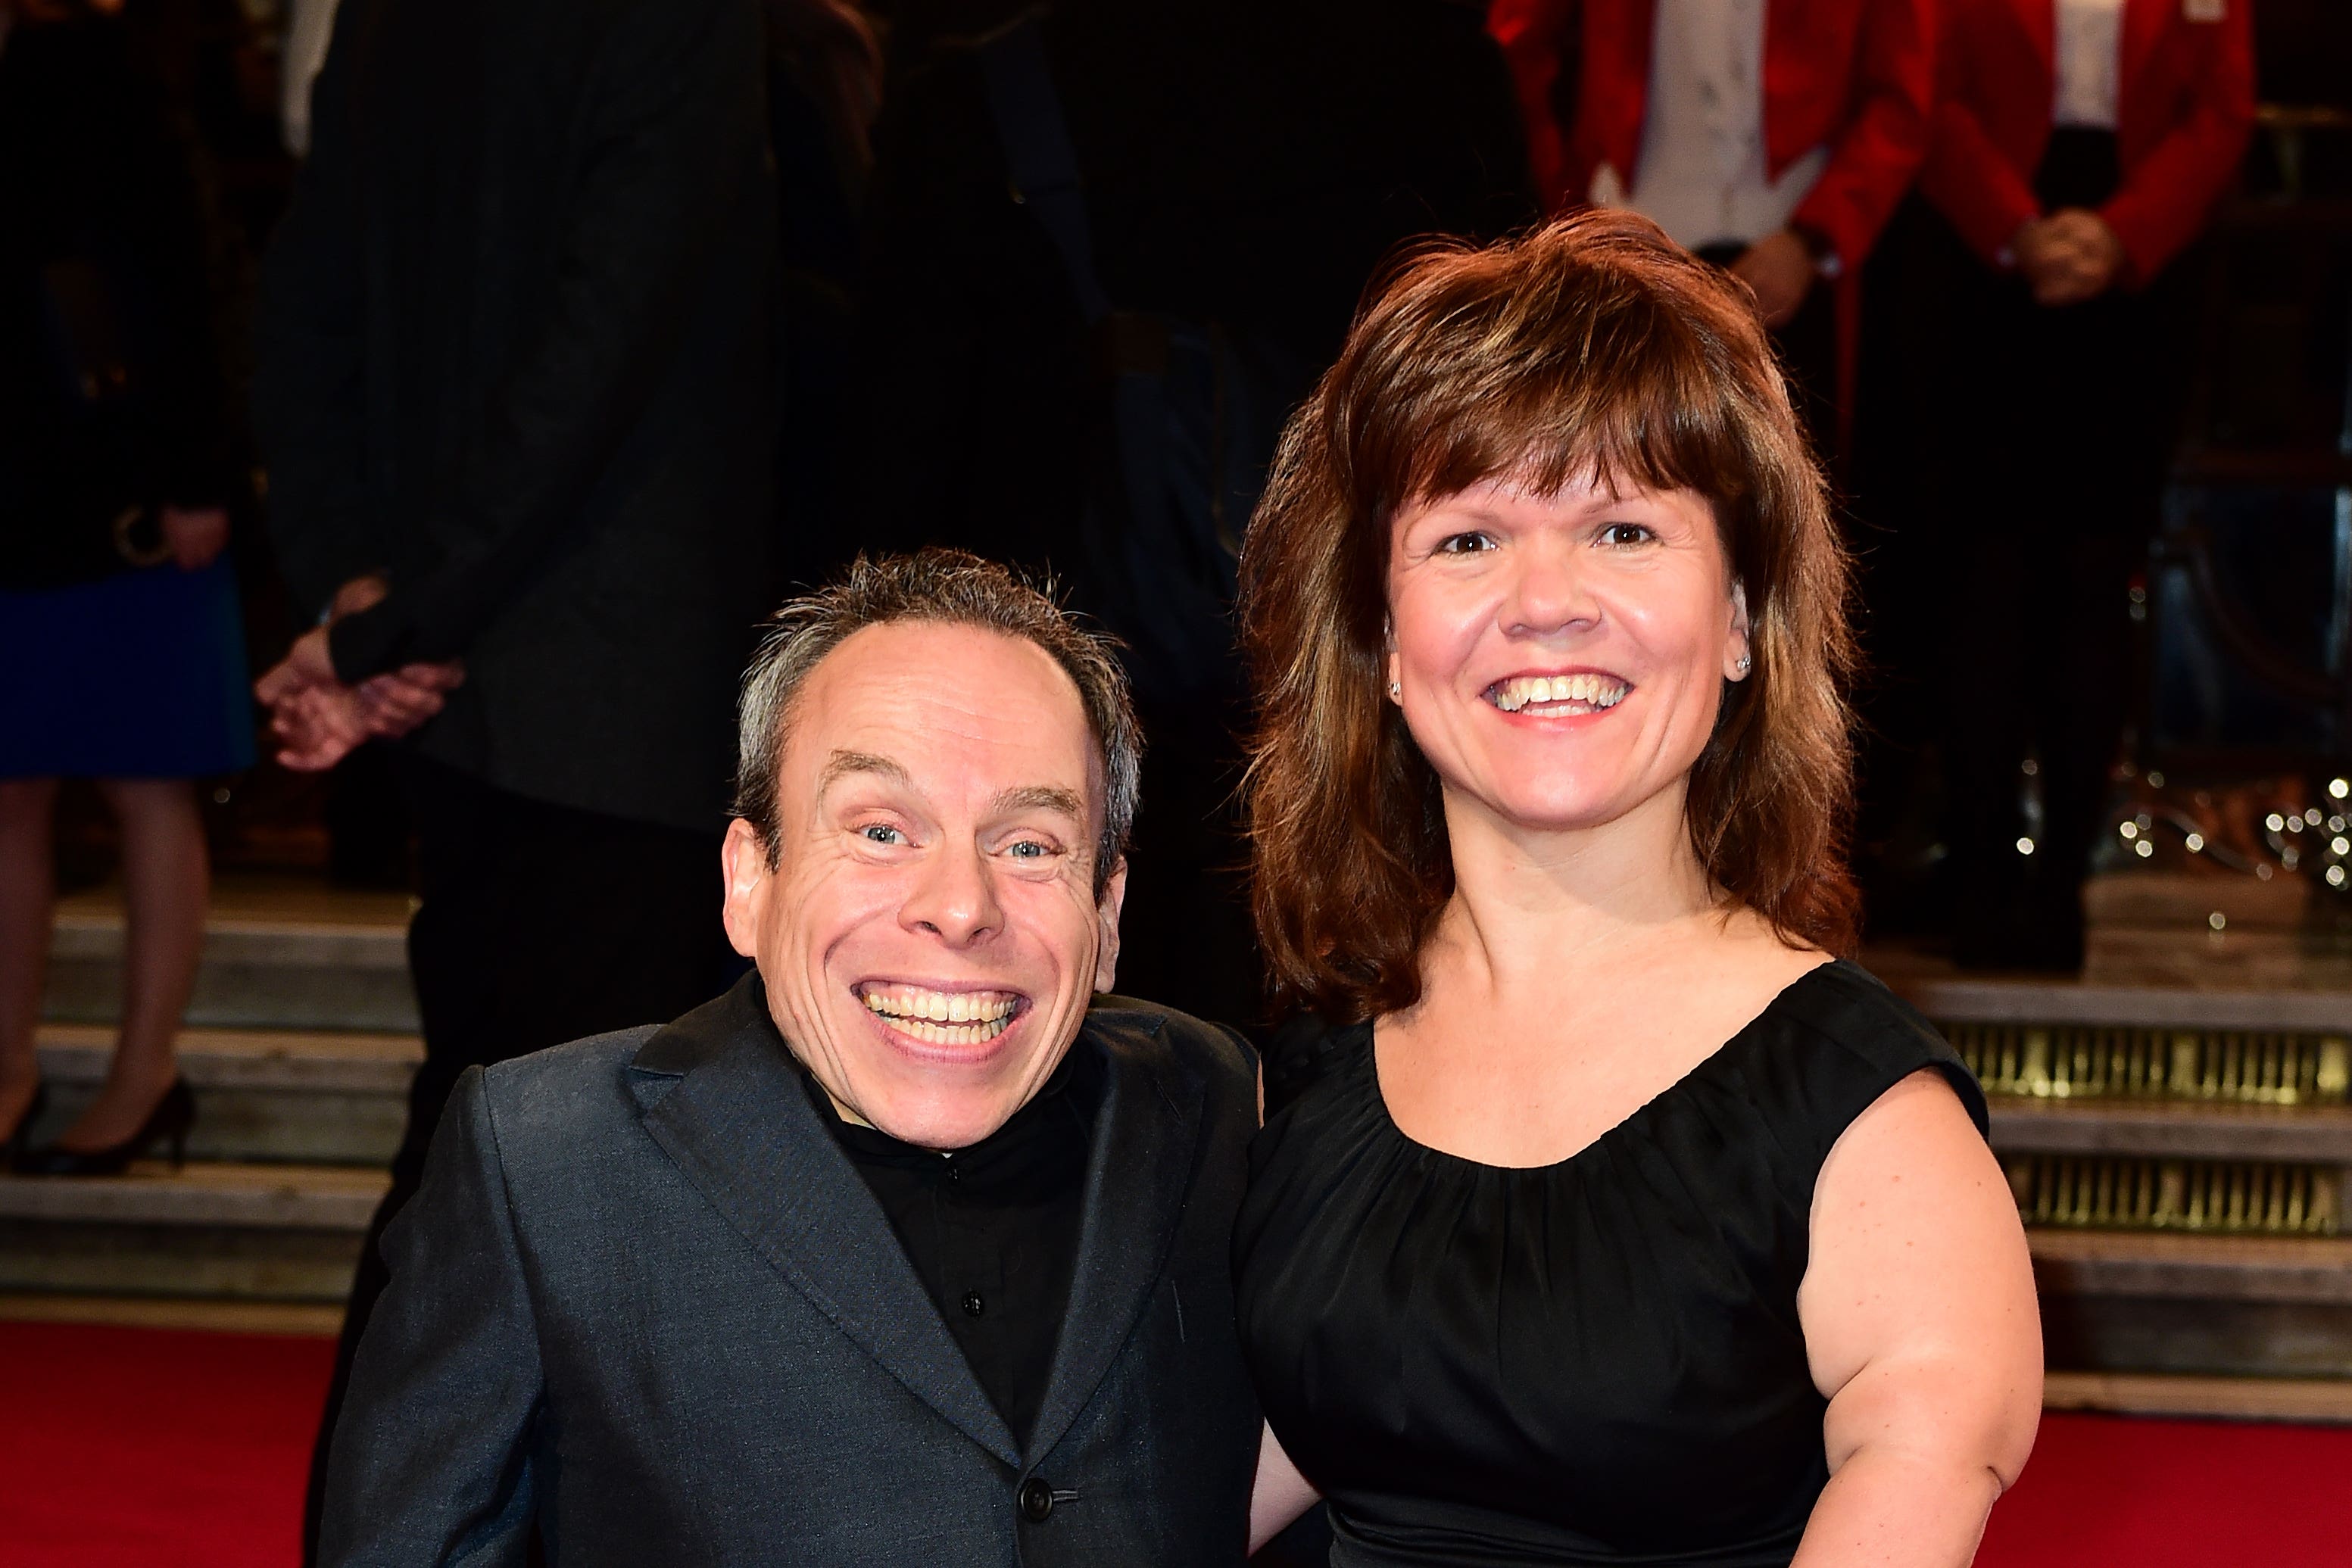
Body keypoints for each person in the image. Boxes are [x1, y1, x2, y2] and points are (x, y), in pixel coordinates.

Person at [1231, 214, 2042, 1566]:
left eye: (1621, 528)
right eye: (1468, 539)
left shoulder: (1866, 1123)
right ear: (1379, 634)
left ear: (1740, 619)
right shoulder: (1301, 1077)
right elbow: (1166, 1498)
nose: (1545, 601)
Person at [317, 551, 1262, 1566]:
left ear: (1107, 912)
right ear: (749, 881)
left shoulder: (1207, 1101)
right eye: (882, 830)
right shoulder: (547, 1166)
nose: (960, 905)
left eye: (1029, 844)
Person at [247, 0, 778, 1546]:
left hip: (476, 688)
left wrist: (366, 603)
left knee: (484, 1163)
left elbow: (306, 310)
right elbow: (597, 352)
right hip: (609, 689)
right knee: (574, 1194)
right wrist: (392, 621)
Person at [855, 0, 1534, 1028]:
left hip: (1045, 747)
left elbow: (894, 473)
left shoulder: (986, 101)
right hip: (1368, 712)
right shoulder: (1439, 82)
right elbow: (1513, 420)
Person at [1889, 0, 2256, 968]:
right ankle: (1979, 872)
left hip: (2141, 266)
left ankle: (2060, 888)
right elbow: (1929, 86)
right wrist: (2015, 228)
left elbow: (2222, 107)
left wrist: (2123, 234)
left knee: (2094, 581)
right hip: (1983, 257)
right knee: (1984, 578)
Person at [0, 0, 247, 1174]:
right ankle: (7, 1068)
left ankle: (145, 1072)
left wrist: (199, 473)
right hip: (12, 495)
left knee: (148, 779)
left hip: (121, 492)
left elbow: (179, 265)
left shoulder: (89, 62)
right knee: (6, 789)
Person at [1489, 0, 1933, 438]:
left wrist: (1814, 237)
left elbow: (1901, 101)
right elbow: (1517, 44)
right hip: (1627, 240)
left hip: (1796, 259)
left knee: (1797, 463)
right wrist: (1566, 201)